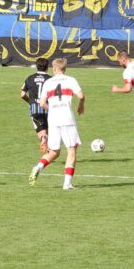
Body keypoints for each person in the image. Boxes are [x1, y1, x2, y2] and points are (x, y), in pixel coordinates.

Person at [31, 56, 85, 190]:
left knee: (54, 151)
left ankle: (38, 167)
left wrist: (53, 109)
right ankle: (67, 184)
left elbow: (42, 103)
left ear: (54, 69)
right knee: (71, 151)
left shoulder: (48, 83)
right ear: (64, 69)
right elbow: (81, 96)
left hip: (53, 120)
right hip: (67, 119)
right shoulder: (70, 80)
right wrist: (81, 105)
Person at [20, 59, 51, 151]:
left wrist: (31, 102)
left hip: (34, 109)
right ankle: (49, 151)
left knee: (41, 131)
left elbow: (22, 94)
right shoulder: (50, 79)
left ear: (37, 66)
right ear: (47, 67)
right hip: (47, 109)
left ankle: (43, 139)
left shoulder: (29, 78)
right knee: (47, 131)